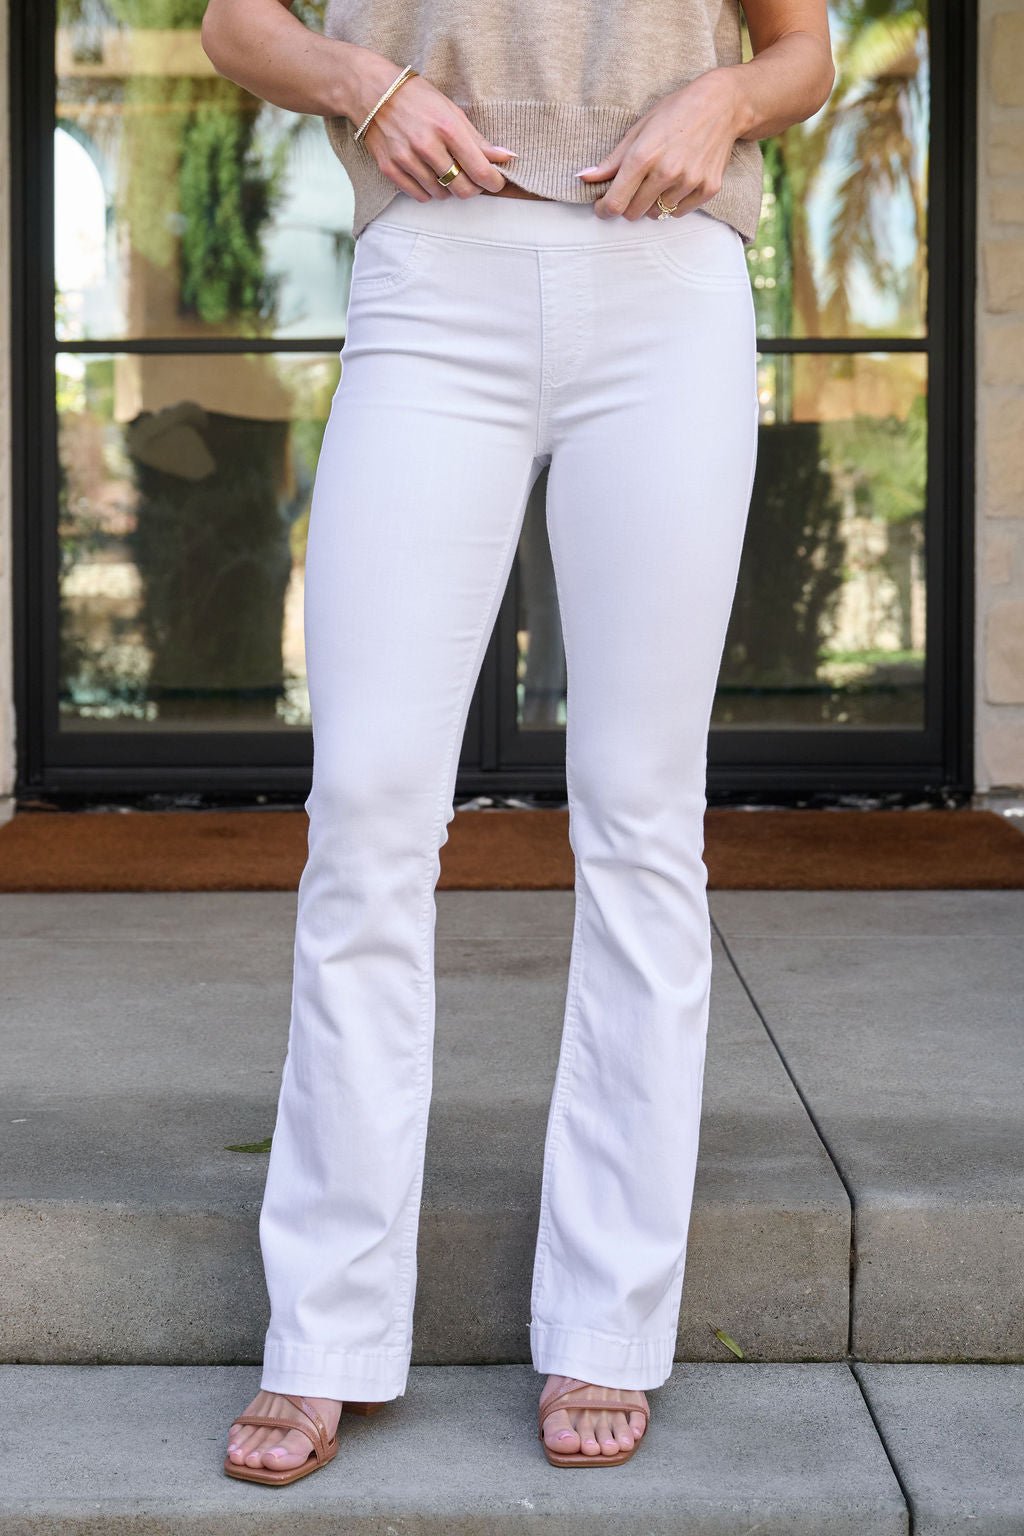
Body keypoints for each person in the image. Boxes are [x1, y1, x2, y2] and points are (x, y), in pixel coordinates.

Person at [202, 0, 834, 1484]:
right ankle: (325, 1331)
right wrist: (364, 84)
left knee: (637, 811)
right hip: (436, 270)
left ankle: (610, 1322)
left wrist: (725, 102)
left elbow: (804, 47)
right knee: (365, 803)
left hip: (669, 282)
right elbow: (236, 23)